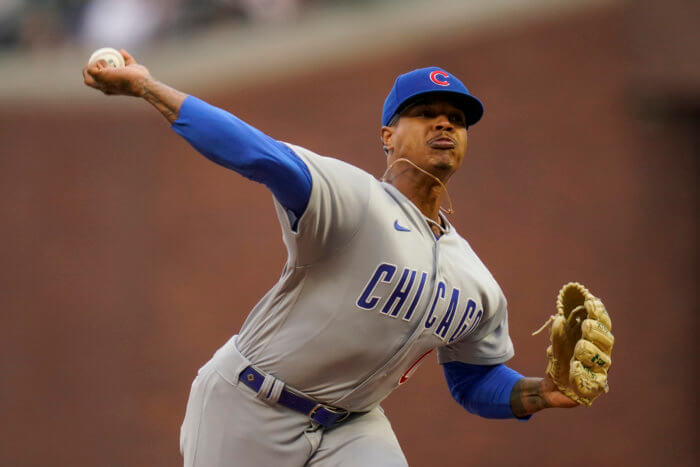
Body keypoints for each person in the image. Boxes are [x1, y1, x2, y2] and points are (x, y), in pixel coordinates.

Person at [82, 51, 583, 467]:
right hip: (249, 404)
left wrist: (542, 393)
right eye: (425, 112)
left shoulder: (476, 281)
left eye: (456, 118)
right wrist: (148, 87)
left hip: (353, 427)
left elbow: (474, 379)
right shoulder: (354, 200)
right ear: (387, 135)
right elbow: (259, 155)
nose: (444, 123)